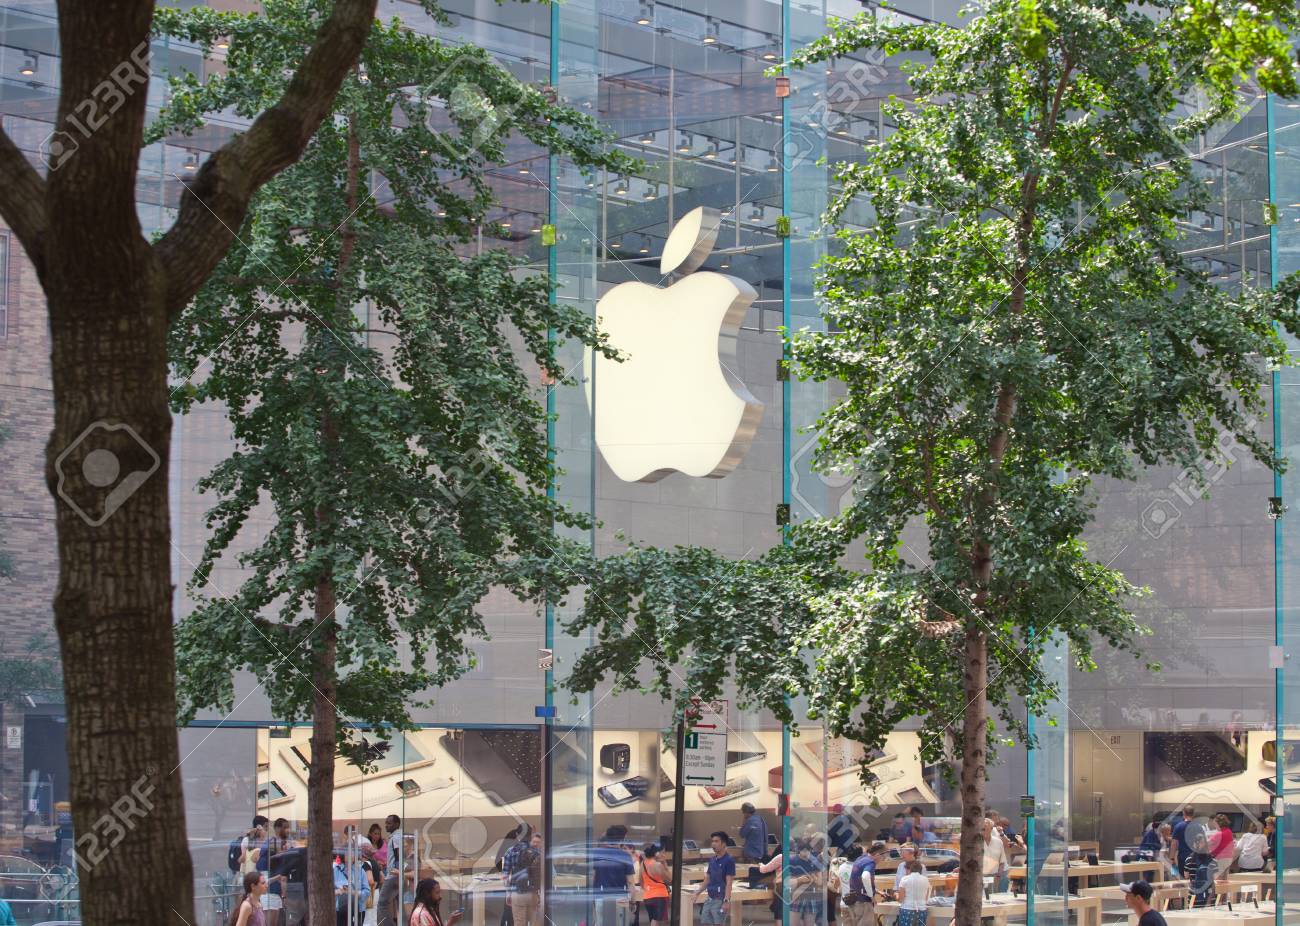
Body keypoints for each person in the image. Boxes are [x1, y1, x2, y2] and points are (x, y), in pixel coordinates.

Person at [695, 831, 736, 925]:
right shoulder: (712, 859)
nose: (713, 844)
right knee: (705, 922)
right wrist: (697, 892)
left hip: (720, 900)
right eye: (712, 841)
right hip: (709, 898)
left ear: (724, 844)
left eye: (716, 841)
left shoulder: (729, 860)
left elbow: (729, 883)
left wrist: (726, 901)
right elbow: (707, 878)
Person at [260, 818, 291, 926]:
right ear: (277, 829)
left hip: (278, 893)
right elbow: (263, 866)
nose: (288, 830)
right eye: (285, 827)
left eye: (288, 827)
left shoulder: (284, 843)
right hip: (271, 892)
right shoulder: (271, 844)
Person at [787, 839, 825, 926]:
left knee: (810, 923)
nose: (806, 853)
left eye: (808, 850)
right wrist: (799, 880)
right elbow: (788, 882)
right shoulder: (792, 860)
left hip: (811, 895)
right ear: (799, 850)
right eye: (803, 850)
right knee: (794, 923)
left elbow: (820, 882)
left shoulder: (815, 861)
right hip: (797, 895)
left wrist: (813, 878)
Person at [510, 832, 544, 926]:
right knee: (532, 923)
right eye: (535, 842)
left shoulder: (514, 852)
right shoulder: (542, 857)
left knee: (519, 923)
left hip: (518, 893)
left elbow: (511, 872)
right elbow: (551, 875)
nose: (536, 844)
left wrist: (508, 893)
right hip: (533, 893)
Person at [377, 814, 404, 926]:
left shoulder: (396, 837)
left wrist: (397, 873)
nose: (386, 825)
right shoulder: (397, 836)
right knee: (398, 904)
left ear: (396, 824)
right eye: (386, 823)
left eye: (389, 823)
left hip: (393, 876)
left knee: (382, 904)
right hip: (396, 875)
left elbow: (399, 856)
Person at [335, 851, 372, 926]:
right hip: (341, 909)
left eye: (353, 853)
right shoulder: (336, 870)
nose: (350, 855)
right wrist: (338, 891)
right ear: (342, 854)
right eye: (348, 852)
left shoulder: (361, 871)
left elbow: (367, 891)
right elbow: (327, 892)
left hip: (358, 909)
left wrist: (354, 892)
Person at [641, 844, 672, 926]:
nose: (664, 855)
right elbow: (670, 878)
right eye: (663, 852)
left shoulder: (643, 863)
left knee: (653, 919)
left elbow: (641, 881)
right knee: (657, 921)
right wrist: (665, 863)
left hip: (647, 896)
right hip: (660, 896)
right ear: (656, 854)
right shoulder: (657, 865)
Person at [896, 855, 931, 926]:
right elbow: (926, 899)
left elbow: (900, 899)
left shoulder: (904, 879)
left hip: (907, 908)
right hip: (922, 909)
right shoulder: (926, 880)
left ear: (910, 869)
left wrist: (896, 895)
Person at [1170, 806, 1202, 877]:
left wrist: (1172, 858)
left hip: (1183, 857)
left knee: (1184, 879)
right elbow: (1202, 843)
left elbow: (1174, 844)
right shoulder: (1199, 827)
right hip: (1196, 858)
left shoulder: (1178, 826)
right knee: (1196, 878)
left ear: (1183, 813)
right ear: (1193, 814)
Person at [982, 817, 1009, 893]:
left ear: (991, 829)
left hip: (995, 875)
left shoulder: (998, 842)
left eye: (984, 829)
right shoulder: (975, 842)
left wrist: (999, 874)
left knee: (995, 898)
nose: (982, 831)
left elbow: (1002, 860)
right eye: (981, 829)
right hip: (981, 876)